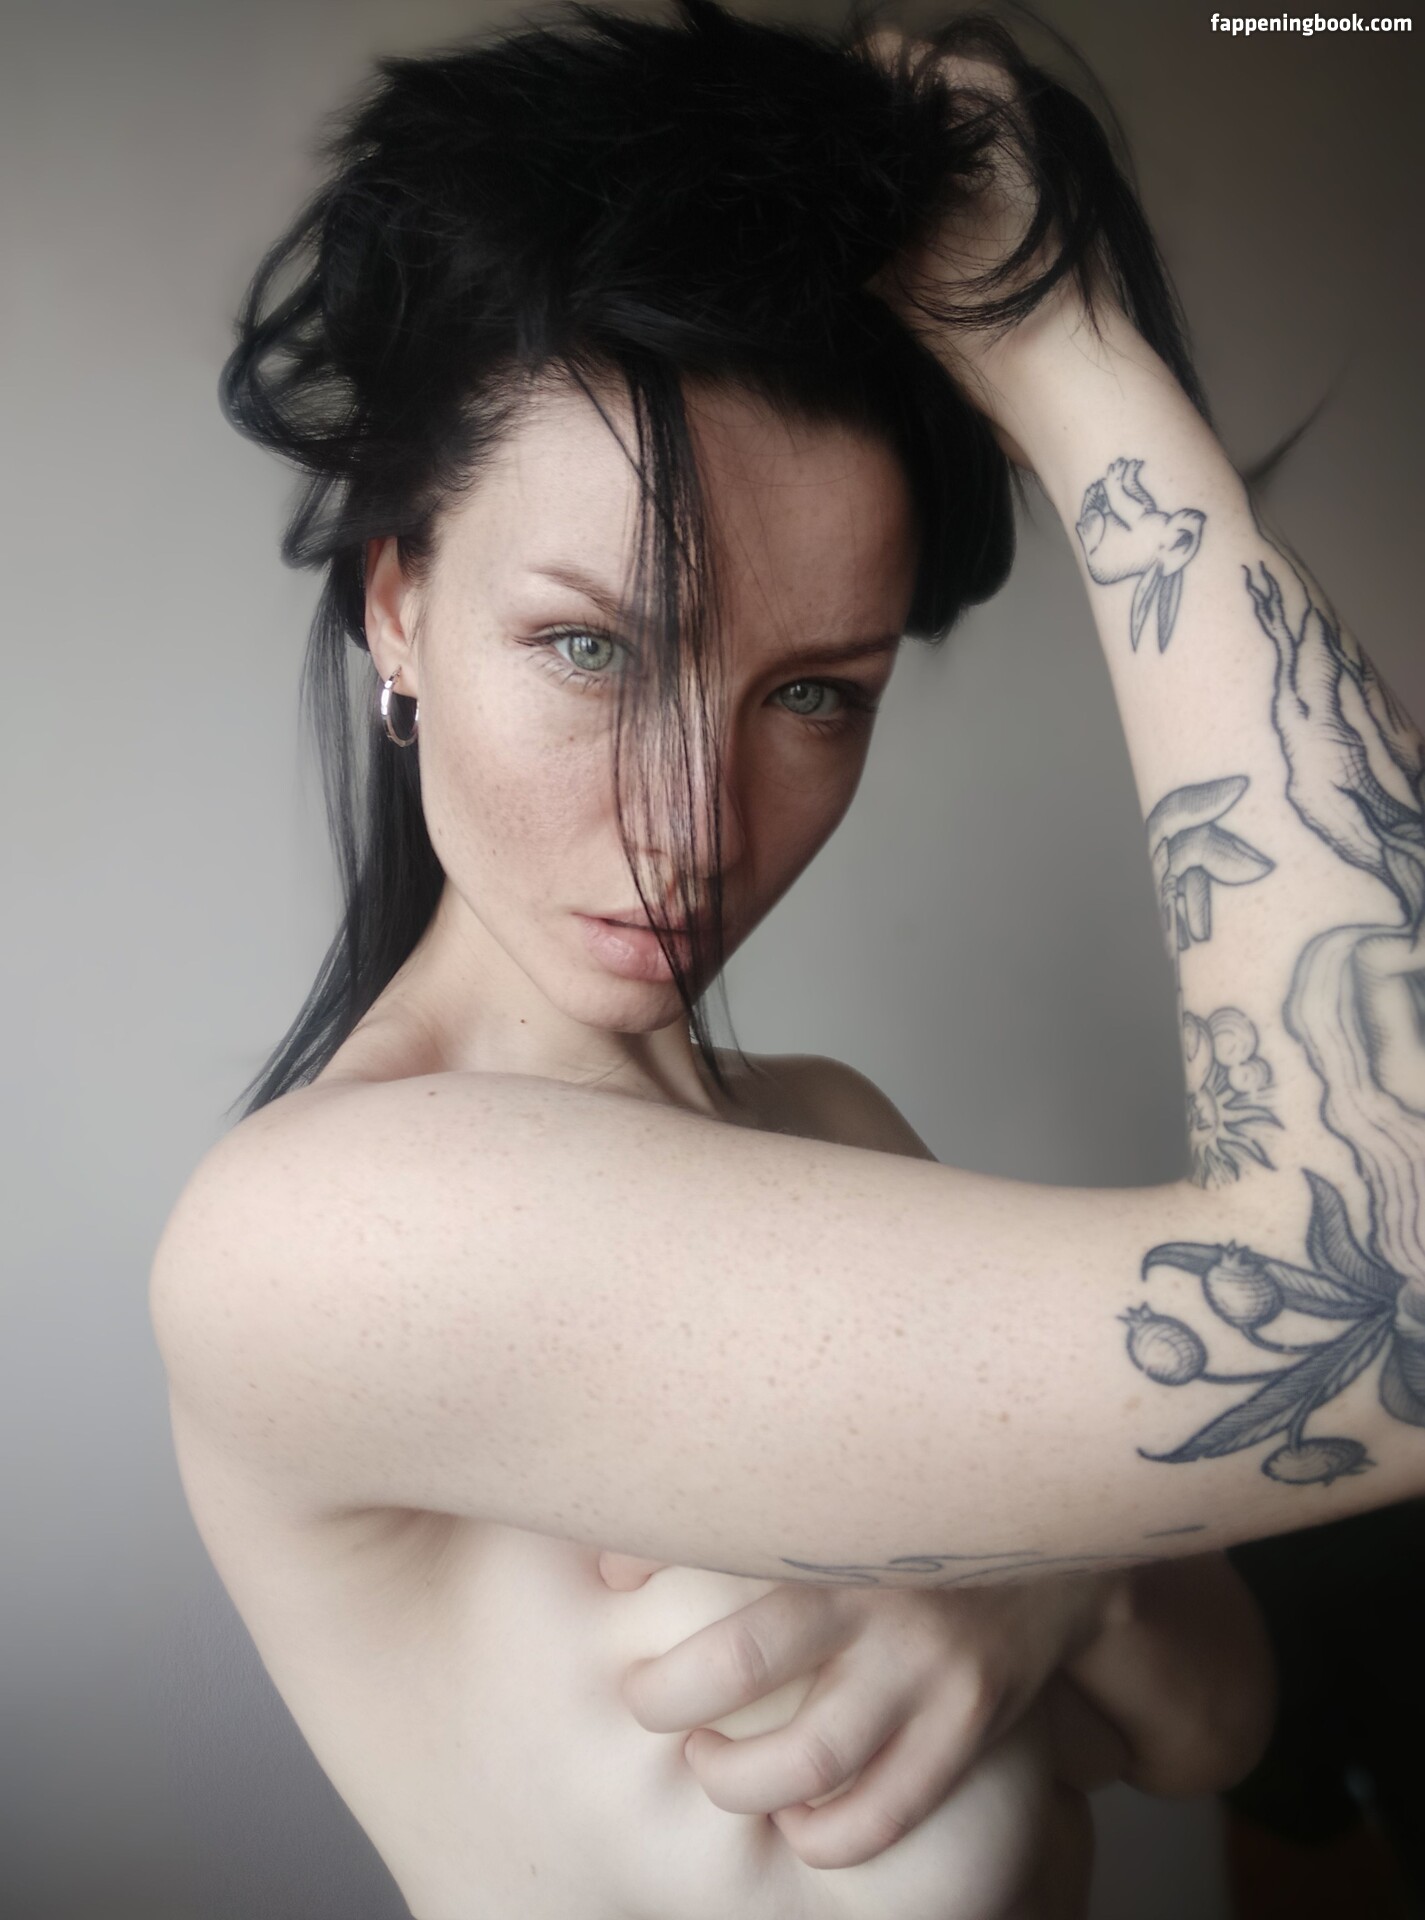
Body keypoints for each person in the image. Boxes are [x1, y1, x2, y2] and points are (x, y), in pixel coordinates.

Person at [147, 0, 1425, 1911]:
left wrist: (1047, 1580)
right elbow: (1397, 1290)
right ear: (398, 602)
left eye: (814, 693)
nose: (691, 826)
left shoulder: (825, 1125)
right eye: (591, 646)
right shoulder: (317, 1235)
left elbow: (1222, 1724)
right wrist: (1071, 363)